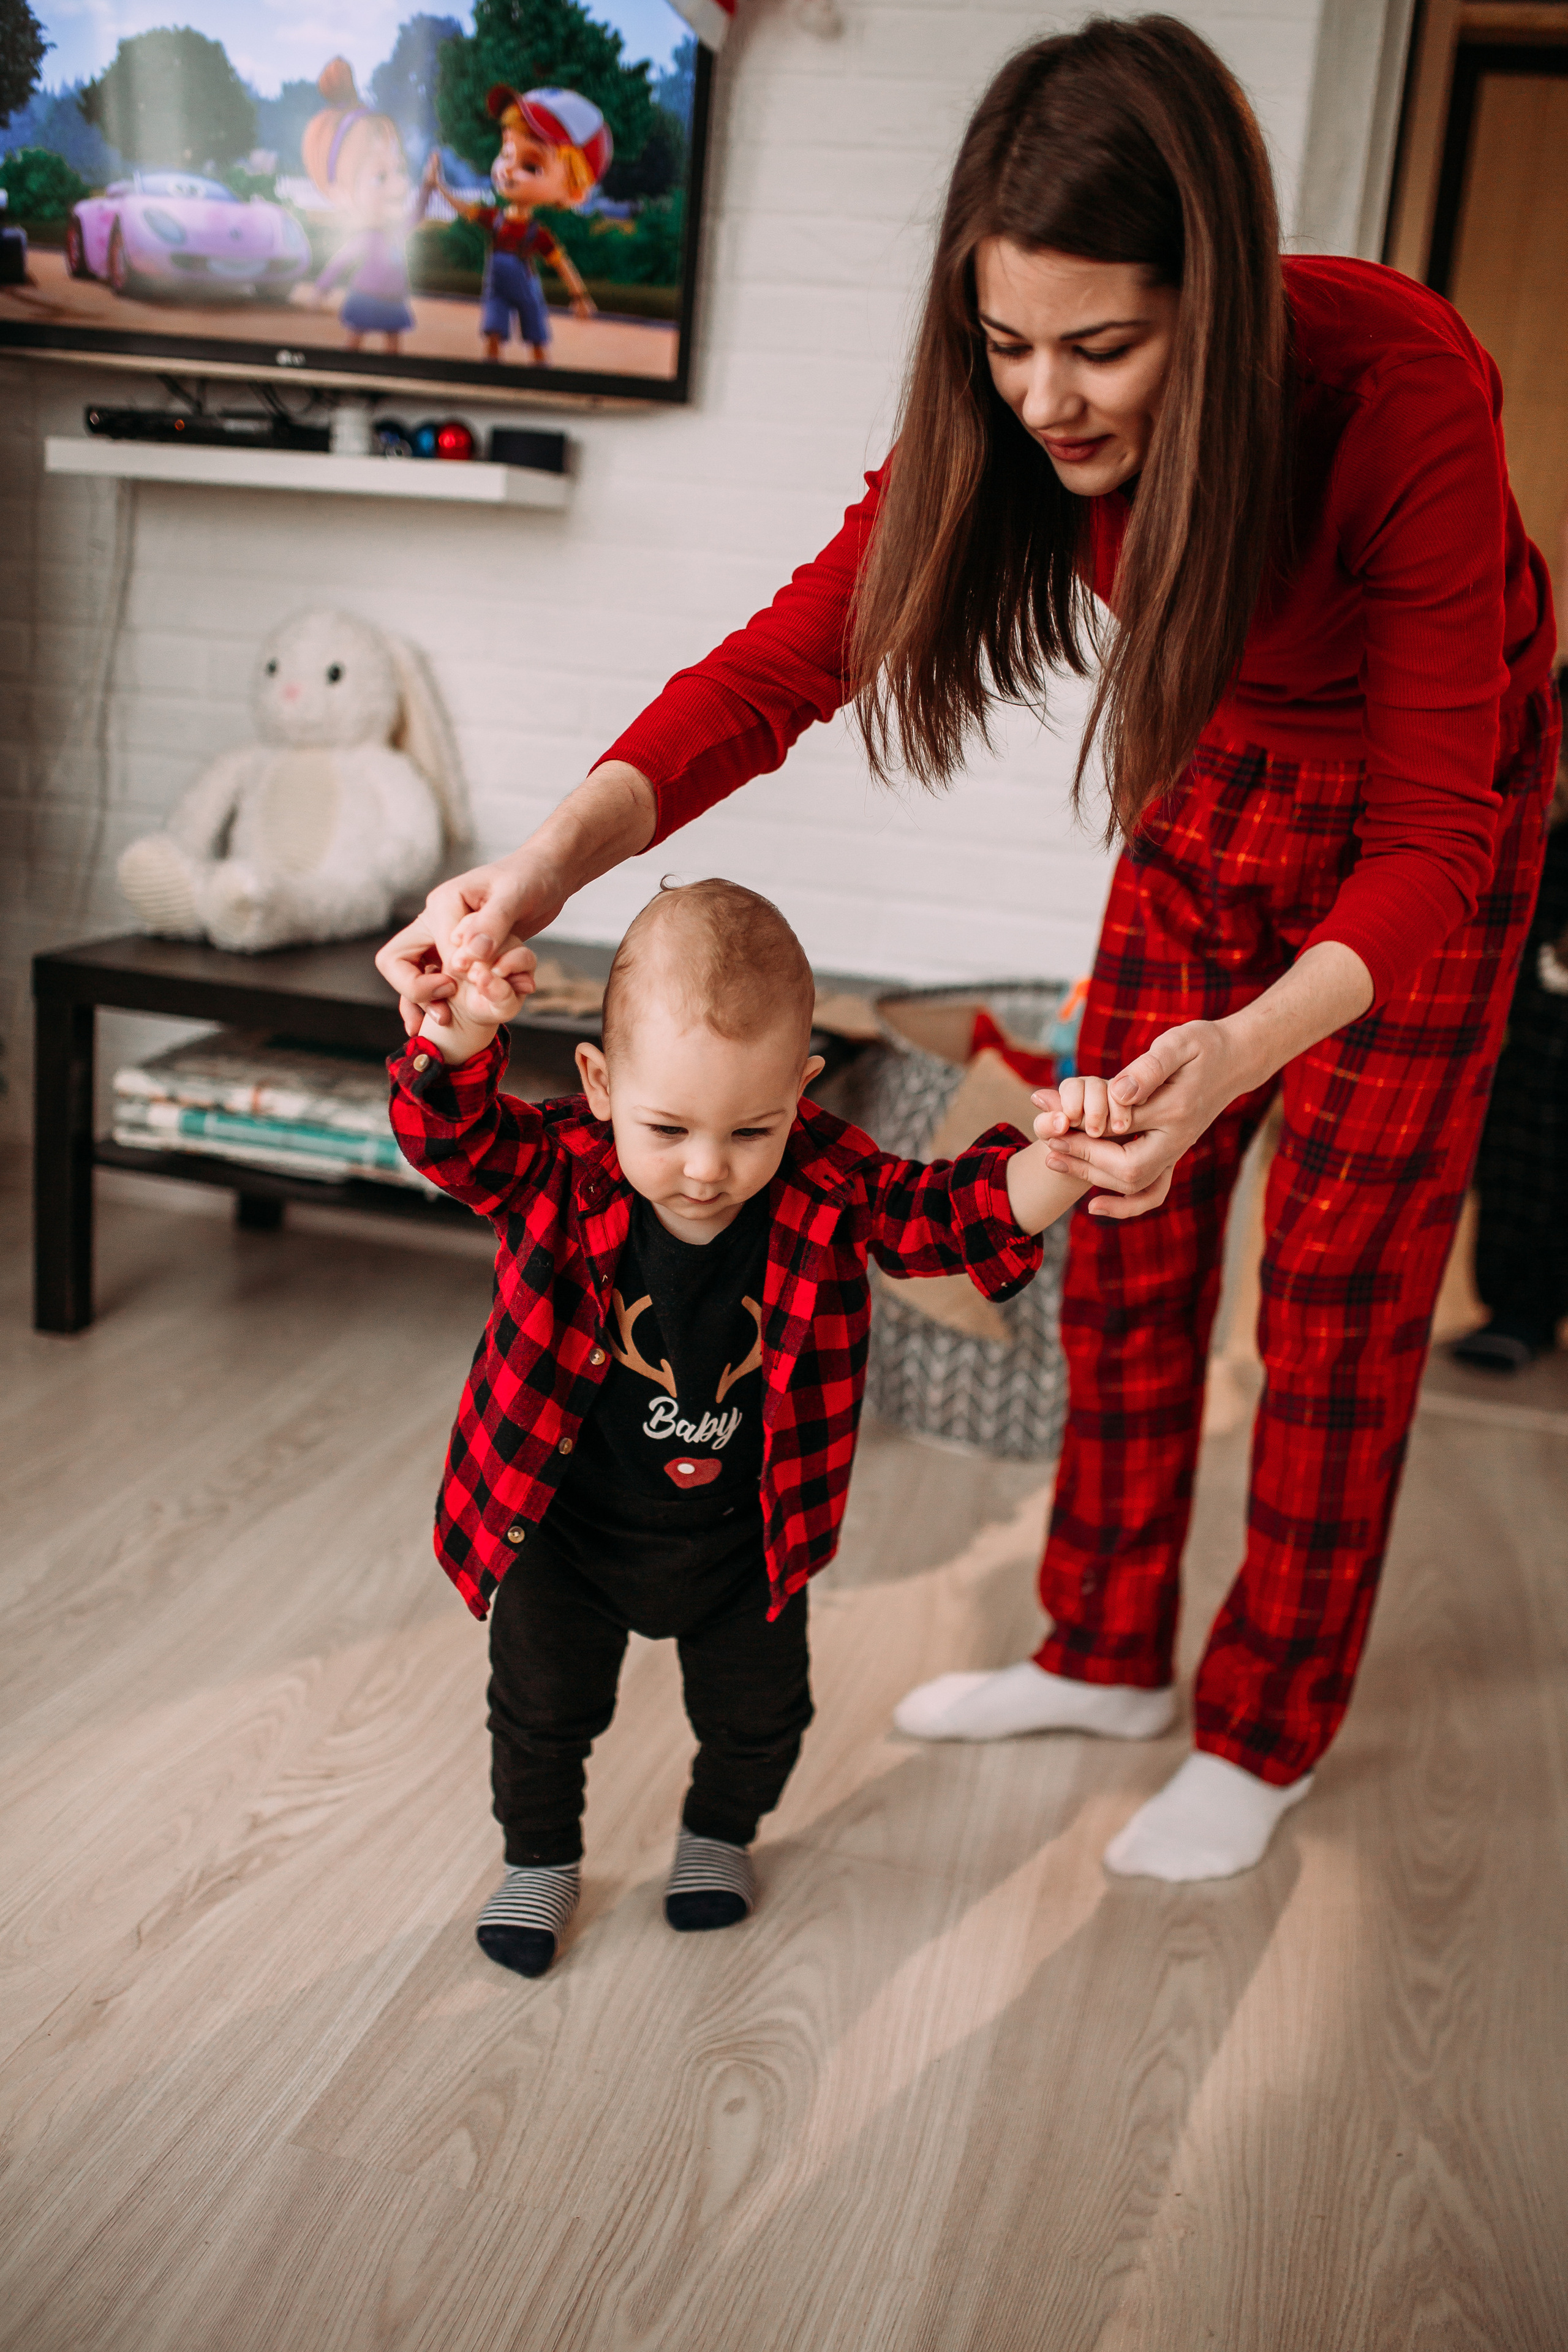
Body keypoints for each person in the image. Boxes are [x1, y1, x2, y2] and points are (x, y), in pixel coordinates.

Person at [377, 16, 1558, 1886]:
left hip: (1426, 840)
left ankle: (1265, 1729)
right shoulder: (1004, 409)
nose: (1050, 402)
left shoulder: (1396, 390)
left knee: (1337, 1287)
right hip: (1210, 777)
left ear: (1227, 306)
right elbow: (776, 670)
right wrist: (528, 875)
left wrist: (1244, 1053)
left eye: (1106, 347)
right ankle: (1102, 1650)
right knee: (1118, 1211)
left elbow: (1434, 837)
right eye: (1010, 347)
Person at [388, 878, 1087, 1975]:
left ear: (802, 1094)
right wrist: (464, 1036)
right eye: (666, 1128)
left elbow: (949, 1217)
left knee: (763, 1715)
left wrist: (1067, 1161)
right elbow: (450, 1140)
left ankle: (717, 1836)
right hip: (562, 1534)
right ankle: (539, 1859)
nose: (708, 1168)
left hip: (743, 1536)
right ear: (599, 1081)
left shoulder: (826, 1176)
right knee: (538, 1711)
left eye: (751, 1129)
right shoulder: (559, 1166)